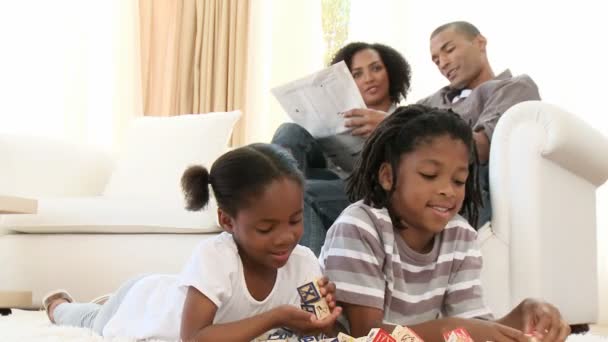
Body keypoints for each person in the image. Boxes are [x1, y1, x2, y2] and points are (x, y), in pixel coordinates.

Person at [42, 143, 342, 341]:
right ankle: (58, 305)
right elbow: (194, 337)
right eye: (266, 228)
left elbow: (324, 329)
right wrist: (275, 317)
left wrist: (323, 317)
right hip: (142, 304)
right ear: (226, 221)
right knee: (91, 320)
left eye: (295, 220)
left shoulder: (303, 262)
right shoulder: (217, 257)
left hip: (177, 291)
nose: (286, 237)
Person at [319, 105, 570, 341]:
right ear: (387, 176)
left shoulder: (460, 235)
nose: (448, 191)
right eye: (430, 175)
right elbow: (366, 335)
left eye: (459, 180)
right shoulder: (359, 228)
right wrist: (447, 329)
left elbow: (475, 326)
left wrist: (523, 315)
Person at [272, 42, 412, 255]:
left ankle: (308, 274)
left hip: (373, 191)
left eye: (376, 68)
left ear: (391, 71)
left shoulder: (410, 117)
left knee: (299, 191)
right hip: (336, 182)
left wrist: (388, 126)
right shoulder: (340, 114)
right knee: (289, 131)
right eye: (357, 74)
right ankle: (270, 201)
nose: (368, 78)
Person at [417, 21, 541, 227]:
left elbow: (480, 148)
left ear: (480, 43)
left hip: (467, 185)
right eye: (436, 60)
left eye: (449, 50)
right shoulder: (429, 102)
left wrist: (410, 132)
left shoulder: (513, 87)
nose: (443, 63)